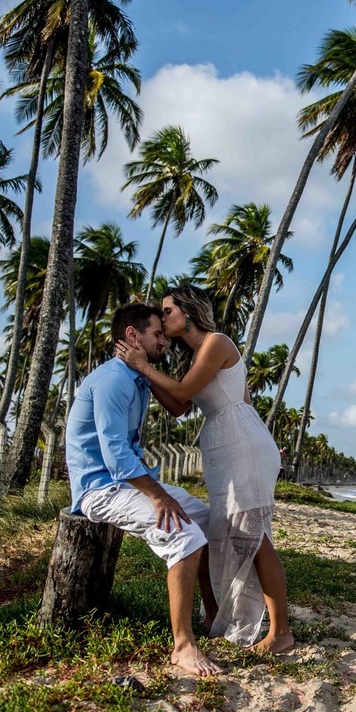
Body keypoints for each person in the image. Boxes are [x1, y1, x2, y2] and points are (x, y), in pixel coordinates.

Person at [116, 285, 294, 654]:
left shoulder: (216, 342)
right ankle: (225, 616)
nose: (162, 319)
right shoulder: (195, 357)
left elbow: (181, 393)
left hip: (243, 445)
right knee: (233, 532)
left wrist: (143, 366)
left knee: (253, 536)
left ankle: (281, 633)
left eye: (167, 312)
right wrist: (143, 372)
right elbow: (180, 407)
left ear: (188, 312)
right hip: (226, 448)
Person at [66, 301, 221, 676]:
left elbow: (180, 405)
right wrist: (158, 495)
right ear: (132, 336)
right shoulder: (113, 380)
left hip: (126, 483)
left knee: (209, 522)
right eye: (156, 334)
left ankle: (212, 614)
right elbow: (116, 456)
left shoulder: (137, 377)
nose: (163, 341)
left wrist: (147, 369)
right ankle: (182, 647)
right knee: (183, 536)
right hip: (100, 489)